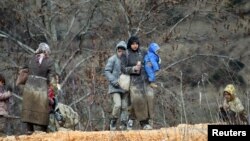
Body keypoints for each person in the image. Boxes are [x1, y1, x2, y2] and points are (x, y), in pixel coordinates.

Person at [21, 42, 56, 135]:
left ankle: (29, 129)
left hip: (29, 86)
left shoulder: (31, 59)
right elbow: (52, 76)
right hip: (41, 87)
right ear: (46, 51)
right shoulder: (49, 61)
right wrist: (52, 86)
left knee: (30, 106)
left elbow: (23, 70)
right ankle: (43, 130)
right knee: (43, 107)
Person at [121, 36, 154, 130]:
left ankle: (135, 119)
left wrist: (150, 64)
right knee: (138, 100)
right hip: (134, 81)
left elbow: (150, 60)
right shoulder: (126, 54)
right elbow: (122, 68)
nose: (135, 46)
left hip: (145, 79)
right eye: (133, 44)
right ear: (130, 44)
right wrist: (133, 69)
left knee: (149, 98)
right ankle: (144, 123)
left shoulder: (143, 52)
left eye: (136, 43)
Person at [104, 41, 128, 130]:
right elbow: (107, 71)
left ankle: (123, 124)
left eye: (123, 50)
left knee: (125, 106)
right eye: (119, 50)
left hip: (125, 87)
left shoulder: (127, 60)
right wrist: (114, 81)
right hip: (115, 87)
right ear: (117, 50)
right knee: (117, 105)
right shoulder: (112, 59)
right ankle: (113, 121)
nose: (121, 52)